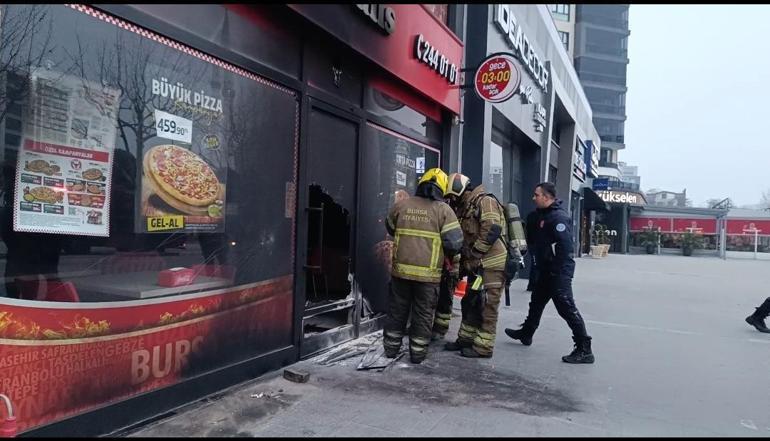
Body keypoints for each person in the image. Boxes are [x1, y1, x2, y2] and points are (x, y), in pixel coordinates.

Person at [504, 182, 595, 364]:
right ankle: (527, 333)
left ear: (547, 197)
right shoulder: (537, 216)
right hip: (545, 269)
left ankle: (584, 348)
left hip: (559, 271)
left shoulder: (559, 218)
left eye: (536, 195)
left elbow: (565, 247)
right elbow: (530, 240)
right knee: (536, 302)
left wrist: (556, 271)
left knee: (566, 307)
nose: (533, 197)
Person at [383, 168, 463, 364]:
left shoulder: (402, 205)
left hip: (401, 271)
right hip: (428, 277)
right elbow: (454, 243)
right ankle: (417, 354)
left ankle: (390, 349)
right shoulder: (444, 211)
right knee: (423, 313)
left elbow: (390, 227)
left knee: (397, 310)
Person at [442, 173, 510, 358]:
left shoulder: (485, 201)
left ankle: (483, 348)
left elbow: (492, 229)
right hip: (477, 266)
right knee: (470, 301)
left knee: (488, 306)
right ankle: (465, 339)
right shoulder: (466, 208)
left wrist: (474, 254)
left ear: (461, 190)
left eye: (454, 197)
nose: (452, 201)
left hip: (492, 266)